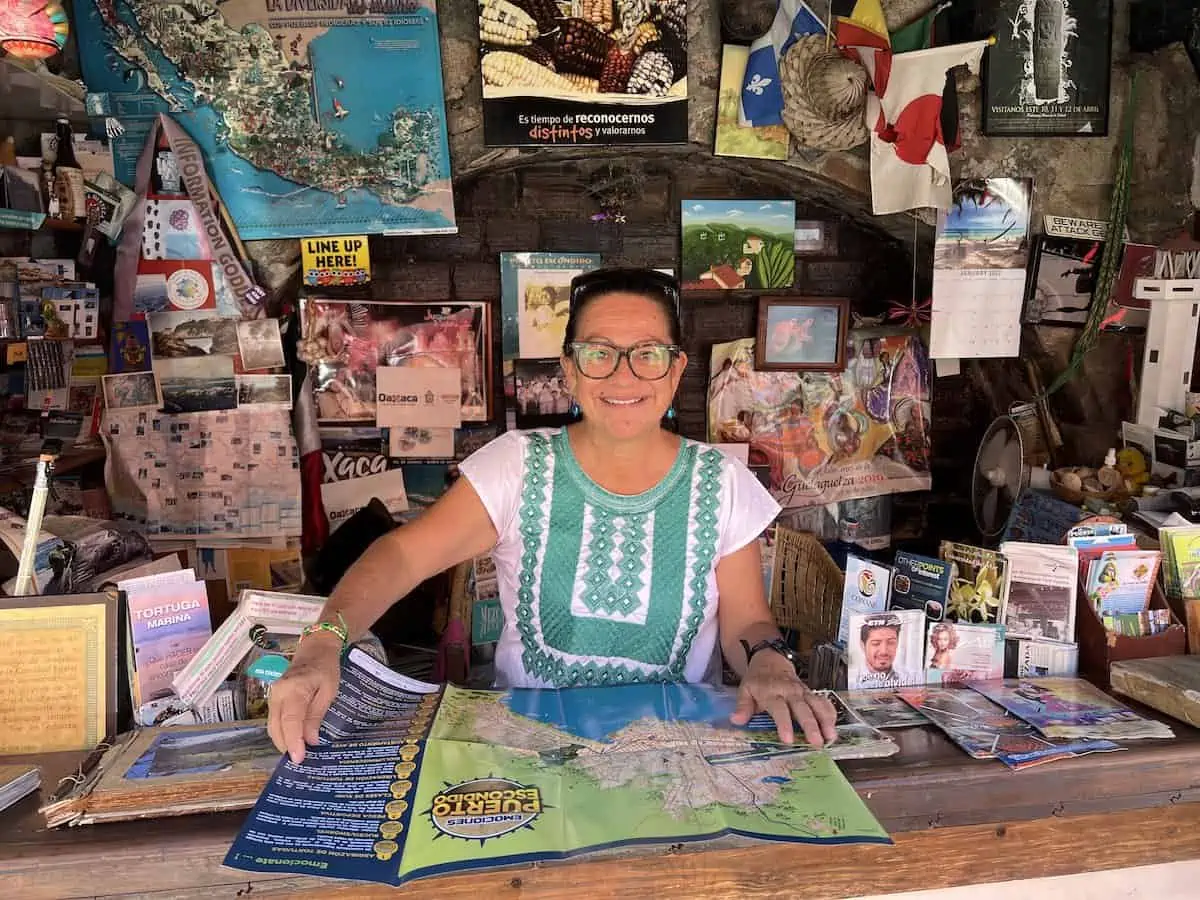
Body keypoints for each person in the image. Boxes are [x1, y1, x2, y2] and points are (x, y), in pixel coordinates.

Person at [269, 268, 836, 762]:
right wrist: (323, 641)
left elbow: (747, 624)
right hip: (528, 747)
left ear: (675, 368)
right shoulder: (517, 466)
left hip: (675, 751)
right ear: (569, 369)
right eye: (598, 353)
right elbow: (401, 555)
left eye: (647, 353)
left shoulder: (723, 482)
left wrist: (767, 660)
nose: (623, 375)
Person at [849, 613, 921, 689]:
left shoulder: (913, 680)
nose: (884, 651)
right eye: (876, 643)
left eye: (891, 642)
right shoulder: (850, 682)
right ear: (863, 645)